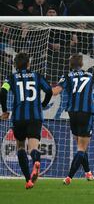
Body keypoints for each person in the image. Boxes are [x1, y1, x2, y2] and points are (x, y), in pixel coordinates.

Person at [52, 54, 94, 185]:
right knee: (82, 148)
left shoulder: (66, 76)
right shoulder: (91, 76)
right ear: (82, 64)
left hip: (73, 113)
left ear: (70, 65)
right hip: (86, 113)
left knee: (80, 146)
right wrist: (92, 102)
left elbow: (55, 92)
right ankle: (69, 177)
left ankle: (88, 173)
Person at [0, 52, 52, 189]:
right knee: (33, 147)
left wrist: (4, 110)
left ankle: (28, 180)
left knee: (21, 147)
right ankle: (36, 160)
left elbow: (3, 92)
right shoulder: (37, 76)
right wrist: (43, 105)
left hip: (18, 118)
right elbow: (50, 91)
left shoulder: (11, 78)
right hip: (35, 117)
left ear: (15, 65)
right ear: (29, 64)